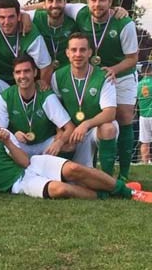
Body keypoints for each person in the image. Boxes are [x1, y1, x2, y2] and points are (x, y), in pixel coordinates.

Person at [0, 103, 152, 203]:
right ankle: (109, 192)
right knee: (59, 190)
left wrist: (8, 142)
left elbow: (25, 161)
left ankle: (130, 193)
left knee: (73, 169)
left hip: (32, 166)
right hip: (18, 185)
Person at [63, 0, 138, 180]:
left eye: (102, 0)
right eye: (94, 0)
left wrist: (112, 70)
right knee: (95, 116)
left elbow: (132, 59)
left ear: (110, 1)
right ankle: (98, 169)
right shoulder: (80, 12)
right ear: (87, 2)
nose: (97, 5)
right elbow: (51, 5)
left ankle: (123, 174)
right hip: (89, 76)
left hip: (120, 74)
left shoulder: (124, 23)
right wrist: (22, 10)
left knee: (123, 117)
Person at [51, 33, 123, 179]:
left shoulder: (103, 76)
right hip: (73, 131)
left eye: (83, 50)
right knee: (78, 176)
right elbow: (56, 110)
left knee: (108, 128)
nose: (78, 54)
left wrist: (86, 124)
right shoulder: (57, 76)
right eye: (74, 50)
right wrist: (61, 133)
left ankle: (107, 179)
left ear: (90, 52)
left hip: (94, 128)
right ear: (67, 53)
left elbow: (110, 113)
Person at [0, 55, 75, 158]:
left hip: (44, 144)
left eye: (26, 71)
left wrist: (59, 142)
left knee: (70, 145)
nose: (22, 76)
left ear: (35, 72)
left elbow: (70, 127)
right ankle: (20, 168)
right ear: (14, 75)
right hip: (21, 145)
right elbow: (0, 130)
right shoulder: (6, 96)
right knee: (4, 141)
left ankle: (58, 170)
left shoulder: (46, 95)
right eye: (18, 72)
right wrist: (15, 134)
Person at [24, 0, 79, 70]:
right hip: (41, 73)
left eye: (58, 0)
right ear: (44, 5)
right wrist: (24, 15)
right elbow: (15, 11)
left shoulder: (74, 21)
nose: (54, 5)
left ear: (65, 3)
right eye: (50, 1)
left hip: (67, 72)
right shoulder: (35, 17)